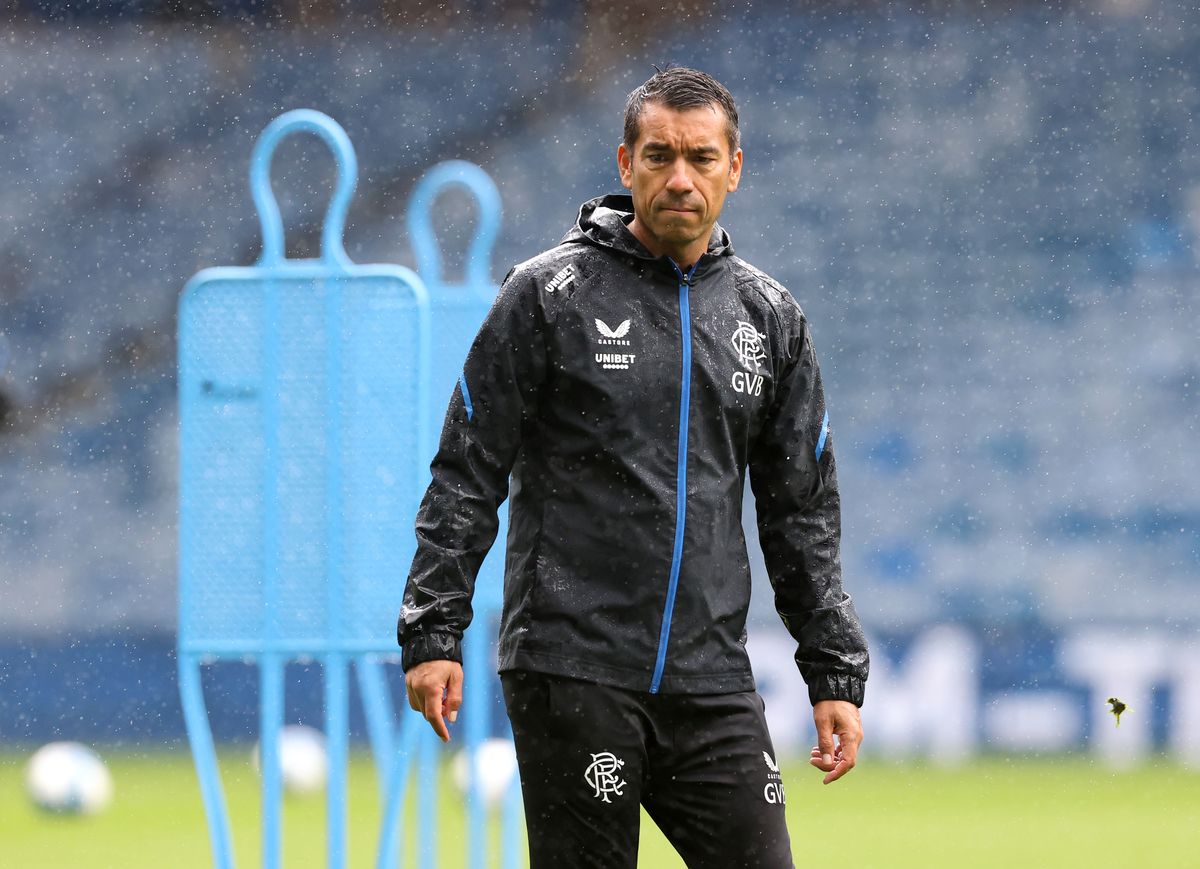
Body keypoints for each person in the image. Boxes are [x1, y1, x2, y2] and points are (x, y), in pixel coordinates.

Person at [398, 66, 869, 868]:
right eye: (659, 156)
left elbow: (800, 508)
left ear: (735, 168)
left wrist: (831, 666)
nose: (679, 177)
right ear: (626, 164)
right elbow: (468, 468)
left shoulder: (771, 318)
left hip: (710, 678)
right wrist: (433, 628)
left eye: (700, 157)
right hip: (571, 666)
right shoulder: (546, 295)